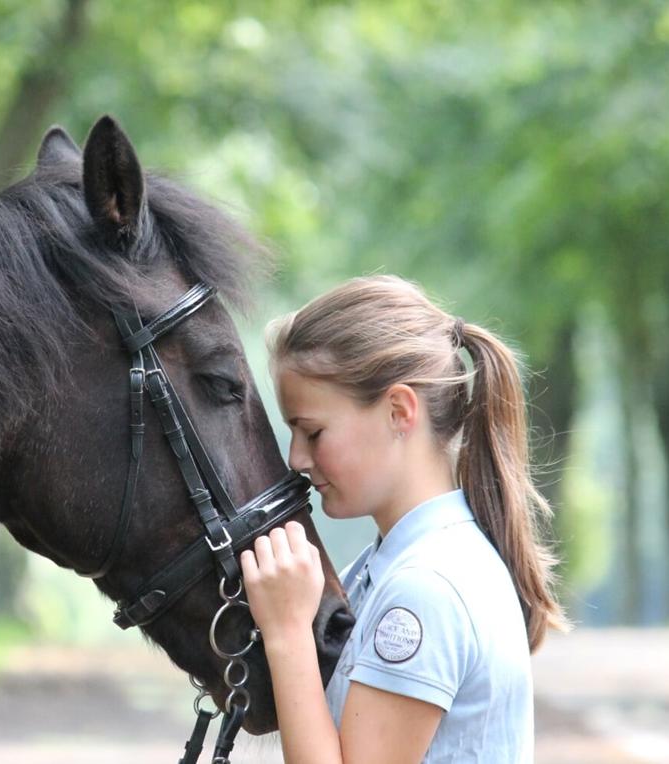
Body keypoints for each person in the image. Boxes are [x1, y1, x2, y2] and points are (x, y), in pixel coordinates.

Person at [239, 275, 568, 763]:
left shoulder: (426, 589)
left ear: (398, 411)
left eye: (312, 431)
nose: (296, 459)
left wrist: (287, 634)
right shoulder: (394, 567)